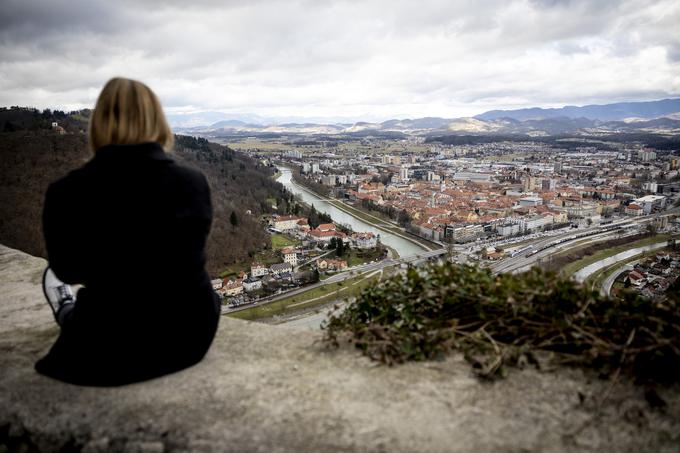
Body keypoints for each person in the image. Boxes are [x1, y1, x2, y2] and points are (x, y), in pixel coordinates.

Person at [35, 77, 220, 386]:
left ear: (98, 124)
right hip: (191, 333)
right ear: (157, 121)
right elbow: (192, 251)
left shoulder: (67, 192)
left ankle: (65, 310)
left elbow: (66, 270)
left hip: (111, 346)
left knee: (75, 310)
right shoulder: (192, 182)